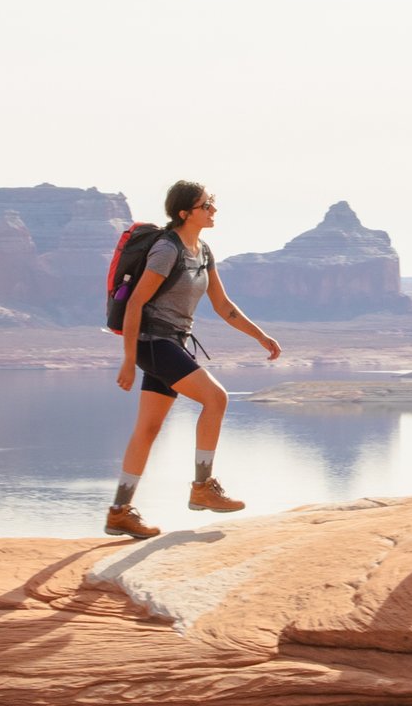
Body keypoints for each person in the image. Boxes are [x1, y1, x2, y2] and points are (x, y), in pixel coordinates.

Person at [106, 180, 282, 539]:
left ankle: (119, 513)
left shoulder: (202, 251)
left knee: (148, 429)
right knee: (216, 398)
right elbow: (137, 303)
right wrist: (128, 360)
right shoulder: (167, 250)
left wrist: (260, 336)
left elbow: (223, 306)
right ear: (185, 213)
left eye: (212, 205)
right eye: (207, 206)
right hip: (151, 341)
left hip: (173, 342)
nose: (213, 211)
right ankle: (202, 487)